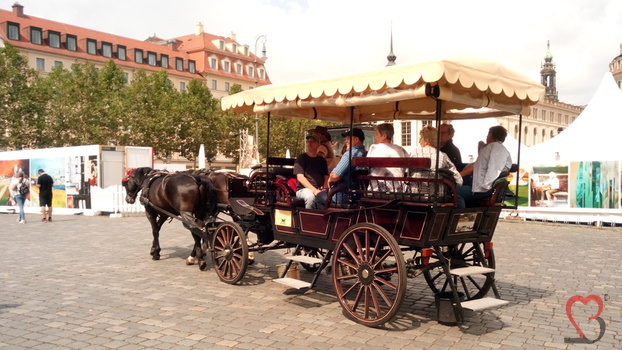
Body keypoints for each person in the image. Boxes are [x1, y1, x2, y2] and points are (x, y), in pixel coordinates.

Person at [457, 126, 512, 208]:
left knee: (454, 192)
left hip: (486, 187)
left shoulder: (493, 147)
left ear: (491, 134)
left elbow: (483, 168)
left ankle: (460, 217)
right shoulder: (499, 148)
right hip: (488, 186)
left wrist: (456, 175)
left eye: (488, 134)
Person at [315, 128, 367, 208]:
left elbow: (335, 176)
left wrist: (329, 179)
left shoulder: (350, 154)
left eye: (348, 138)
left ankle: (326, 219)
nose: (346, 141)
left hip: (343, 195)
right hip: (359, 195)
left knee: (319, 196)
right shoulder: (365, 153)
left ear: (356, 139)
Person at [409, 126, 463, 190]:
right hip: (436, 195)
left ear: (426, 140)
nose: (419, 141)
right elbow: (459, 181)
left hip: (415, 193)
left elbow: (408, 173)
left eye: (421, 138)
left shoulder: (414, 152)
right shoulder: (442, 155)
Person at [366, 123, 409, 192]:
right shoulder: (401, 150)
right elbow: (404, 169)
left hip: (376, 189)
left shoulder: (374, 148)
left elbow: (367, 165)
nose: (375, 137)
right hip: (397, 189)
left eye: (376, 134)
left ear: (384, 136)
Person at [293, 132, 329, 209]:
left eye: (312, 142)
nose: (309, 144)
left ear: (318, 145)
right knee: (310, 197)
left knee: (331, 197)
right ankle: (309, 219)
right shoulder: (301, 158)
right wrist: (314, 190)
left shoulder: (322, 160)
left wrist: (325, 188)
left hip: (320, 189)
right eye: (308, 142)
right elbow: (300, 177)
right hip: (303, 190)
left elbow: (326, 176)